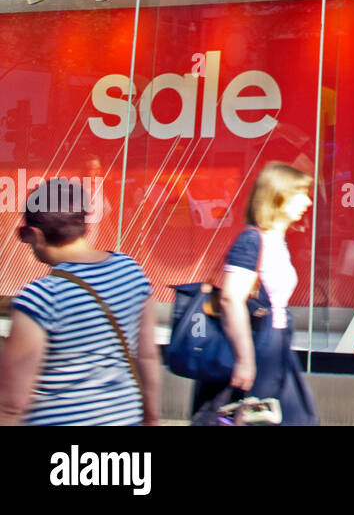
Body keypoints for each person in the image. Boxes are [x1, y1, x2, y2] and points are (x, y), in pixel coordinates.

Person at [0, 178, 161, 426]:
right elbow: (147, 356)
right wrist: (151, 417)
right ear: (83, 225)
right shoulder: (130, 271)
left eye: (24, 235)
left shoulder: (42, 298)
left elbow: (12, 403)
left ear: (35, 235)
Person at [191, 162, 318, 425]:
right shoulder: (252, 240)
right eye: (300, 194)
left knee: (293, 418)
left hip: (277, 344)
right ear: (278, 197)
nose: (307, 201)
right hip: (260, 346)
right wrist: (245, 358)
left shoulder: (275, 240)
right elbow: (231, 298)